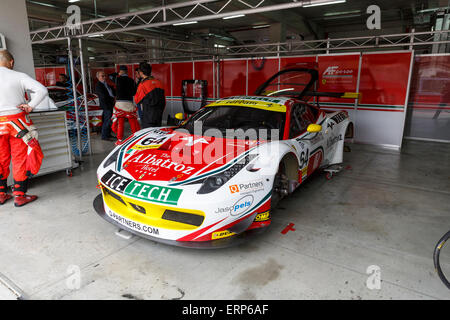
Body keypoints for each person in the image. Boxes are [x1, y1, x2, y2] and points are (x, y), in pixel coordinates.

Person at [0, 50, 47, 207]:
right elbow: (42, 90)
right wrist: (30, 106)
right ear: (11, 62)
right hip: (18, 124)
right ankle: (19, 195)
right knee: (19, 157)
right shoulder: (18, 76)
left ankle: (1, 194)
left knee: (1, 159)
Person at [111, 65, 140, 145]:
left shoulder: (117, 79)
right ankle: (137, 139)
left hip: (119, 103)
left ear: (120, 71)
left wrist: (118, 73)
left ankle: (119, 140)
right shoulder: (131, 80)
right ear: (127, 71)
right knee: (133, 121)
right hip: (129, 103)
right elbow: (134, 93)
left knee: (120, 123)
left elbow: (110, 75)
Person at [134, 62, 166, 128]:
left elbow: (137, 100)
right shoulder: (159, 82)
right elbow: (164, 101)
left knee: (148, 135)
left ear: (141, 72)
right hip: (159, 115)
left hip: (148, 116)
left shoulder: (143, 85)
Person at [95, 71, 115, 141]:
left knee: (109, 120)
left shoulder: (105, 84)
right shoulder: (99, 85)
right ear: (98, 77)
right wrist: (111, 98)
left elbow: (111, 92)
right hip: (106, 105)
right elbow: (103, 96)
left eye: (104, 76)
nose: (104, 77)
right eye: (102, 76)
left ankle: (108, 134)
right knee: (107, 121)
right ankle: (104, 136)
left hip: (109, 104)